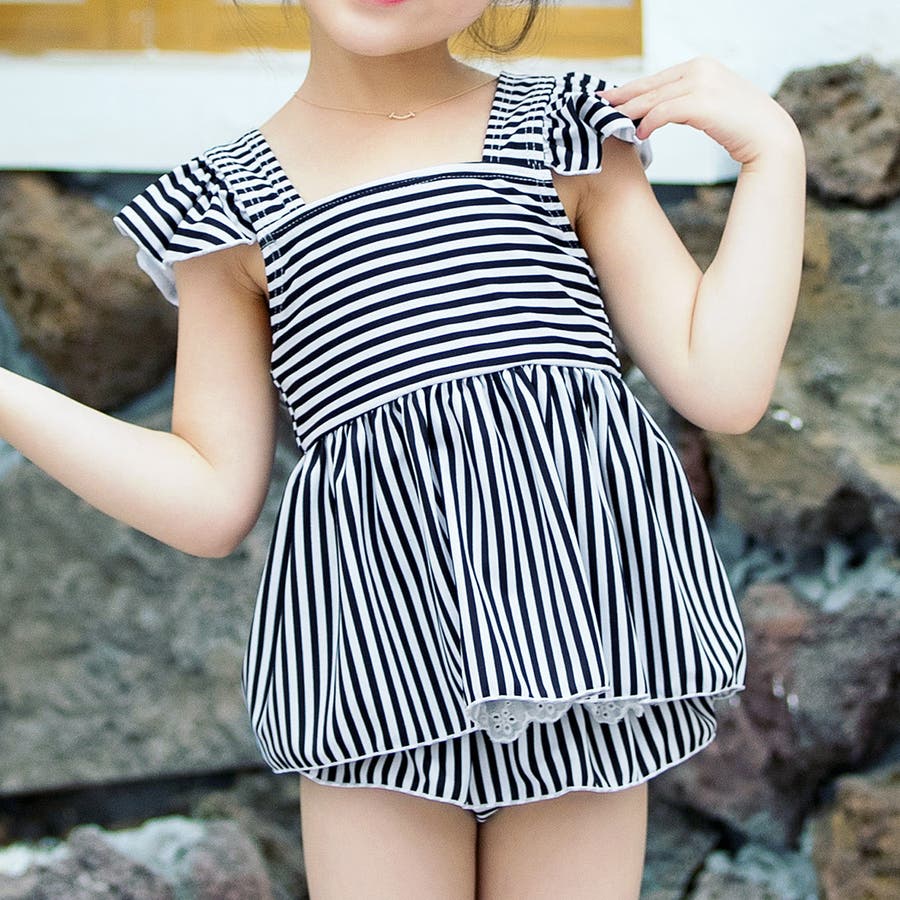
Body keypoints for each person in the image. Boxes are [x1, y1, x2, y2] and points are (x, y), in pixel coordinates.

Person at [0, 1, 806, 897]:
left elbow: (722, 384)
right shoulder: (227, 205)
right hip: (375, 667)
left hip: (576, 649)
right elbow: (208, 499)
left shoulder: (561, 134)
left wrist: (773, 154)